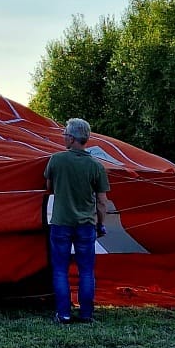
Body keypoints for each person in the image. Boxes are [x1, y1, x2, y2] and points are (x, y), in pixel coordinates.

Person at [45, 117, 114, 323]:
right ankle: (86, 314)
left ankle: (64, 314)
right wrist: (100, 224)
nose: (63, 137)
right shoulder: (96, 166)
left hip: (61, 224)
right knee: (86, 271)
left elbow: (49, 187)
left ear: (73, 138)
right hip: (86, 226)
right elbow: (102, 202)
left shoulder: (56, 160)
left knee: (60, 270)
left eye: (65, 134)